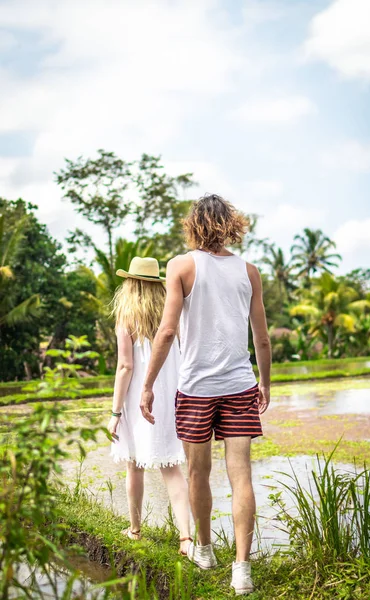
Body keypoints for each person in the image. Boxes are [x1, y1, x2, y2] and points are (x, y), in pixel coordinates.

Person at [140, 195, 271, 596]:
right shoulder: (248, 271)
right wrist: (265, 382)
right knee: (241, 475)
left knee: (198, 473)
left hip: (196, 388)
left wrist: (147, 385)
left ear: (193, 225)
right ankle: (242, 571)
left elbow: (166, 331)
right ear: (232, 224)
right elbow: (261, 338)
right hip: (239, 384)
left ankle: (205, 548)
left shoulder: (180, 266)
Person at [107, 256, 192, 555]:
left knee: (134, 465)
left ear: (130, 283)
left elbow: (125, 367)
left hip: (135, 398)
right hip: (169, 397)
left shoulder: (126, 317)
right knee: (172, 467)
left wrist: (115, 413)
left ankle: (135, 529)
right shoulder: (173, 314)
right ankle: (186, 538)